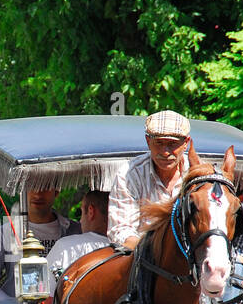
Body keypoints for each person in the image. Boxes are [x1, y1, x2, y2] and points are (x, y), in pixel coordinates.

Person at [0, 187, 77, 304]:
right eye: (31, 187)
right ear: (22, 191)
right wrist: (7, 302)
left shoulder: (75, 231)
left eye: (44, 187)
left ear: (56, 191)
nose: (38, 193)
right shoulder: (4, 233)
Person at [107, 110, 194, 251]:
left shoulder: (198, 175)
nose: (165, 152)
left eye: (172, 144)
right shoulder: (129, 173)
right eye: (159, 143)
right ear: (148, 141)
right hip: (141, 258)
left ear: (186, 143)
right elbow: (121, 229)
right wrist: (150, 253)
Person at [47, 190, 111, 279]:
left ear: (91, 211)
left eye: (81, 213)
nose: (80, 221)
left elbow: (46, 286)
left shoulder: (65, 246)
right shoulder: (128, 248)